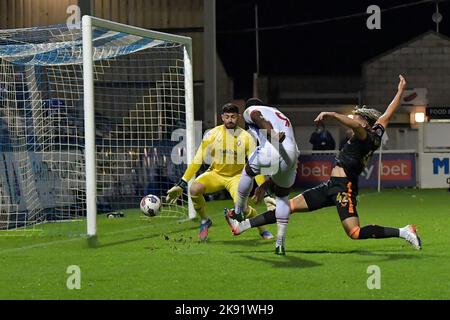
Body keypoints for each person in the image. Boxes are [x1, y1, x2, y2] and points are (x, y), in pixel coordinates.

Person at [225, 75, 422, 253]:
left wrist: (332, 114)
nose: (353, 121)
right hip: (331, 186)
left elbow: (354, 125)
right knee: (289, 206)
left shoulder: (364, 136)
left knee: (354, 231)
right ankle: (241, 226)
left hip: (344, 189)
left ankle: (404, 232)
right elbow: (386, 116)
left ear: (363, 125)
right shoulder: (376, 132)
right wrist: (400, 92)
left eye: (357, 119)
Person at [166, 103, 275, 241]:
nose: (230, 120)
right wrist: (182, 184)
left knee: (243, 209)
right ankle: (205, 220)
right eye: (227, 116)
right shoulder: (212, 134)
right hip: (216, 174)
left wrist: (265, 193)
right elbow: (198, 159)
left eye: (233, 117)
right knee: (194, 189)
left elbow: (256, 166)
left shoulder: (247, 138)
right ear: (222, 117)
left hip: (237, 177)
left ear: (238, 117)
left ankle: (262, 229)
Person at [225, 98, 300, 255]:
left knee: (248, 171)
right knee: (282, 197)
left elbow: (257, 117)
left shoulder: (251, 110)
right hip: (292, 155)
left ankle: (238, 211)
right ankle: (280, 244)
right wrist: (265, 185)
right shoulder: (279, 113)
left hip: (273, 147)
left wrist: (272, 134)